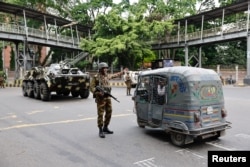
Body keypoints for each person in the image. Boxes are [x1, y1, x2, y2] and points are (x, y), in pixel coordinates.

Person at [90, 62, 128, 138]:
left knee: (109, 112)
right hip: (101, 98)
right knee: (100, 114)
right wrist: (98, 92)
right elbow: (91, 87)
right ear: (101, 69)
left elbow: (115, 75)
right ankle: (100, 130)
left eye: (107, 68)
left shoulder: (107, 76)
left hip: (108, 97)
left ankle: (105, 127)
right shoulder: (96, 77)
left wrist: (123, 72)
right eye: (105, 68)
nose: (106, 69)